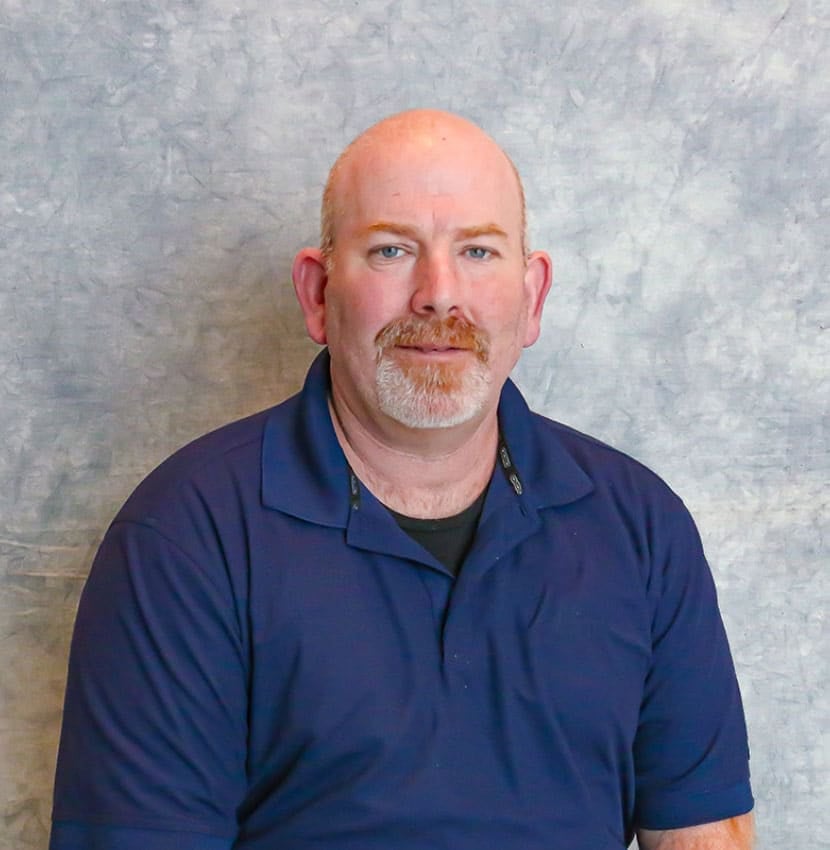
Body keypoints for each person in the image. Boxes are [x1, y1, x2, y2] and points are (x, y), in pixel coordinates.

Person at [50, 109, 754, 850]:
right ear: (318, 295)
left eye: (478, 251)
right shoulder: (186, 537)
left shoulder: (641, 527)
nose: (439, 295)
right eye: (391, 250)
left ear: (533, 295)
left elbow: (703, 834)